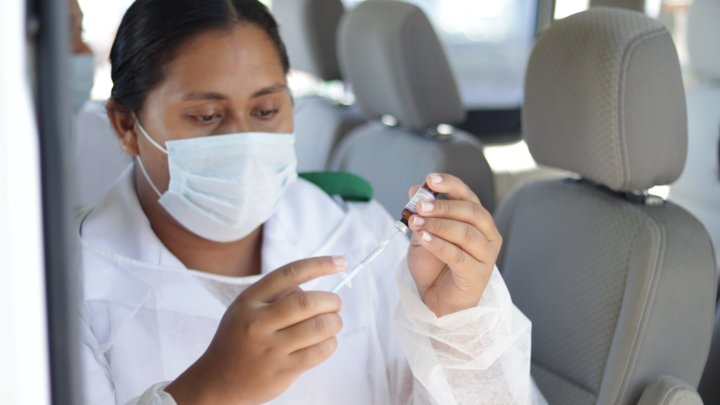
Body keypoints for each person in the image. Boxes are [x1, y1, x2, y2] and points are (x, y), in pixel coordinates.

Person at [78, 1, 545, 404]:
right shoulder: (62, 288)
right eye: (206, 116)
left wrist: (457, 324)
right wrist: (207, 391)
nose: (245, 141)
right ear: (125, 126)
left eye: (266, 111)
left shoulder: (354, 234)